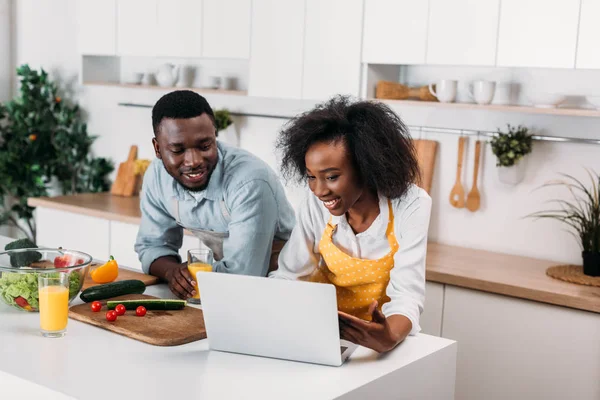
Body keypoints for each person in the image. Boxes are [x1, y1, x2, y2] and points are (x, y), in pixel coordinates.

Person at [270, 96, 432, 353]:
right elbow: (290, 276)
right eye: (311, 177)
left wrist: (388, 337)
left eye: (332, 177)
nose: (320, 190)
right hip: (320, 335)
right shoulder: (315, 205)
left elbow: (407, 296)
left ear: (366, 166)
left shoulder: (410, 204)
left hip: (381, 337)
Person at [135, 90, 295, 299]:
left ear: (215, 137)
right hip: (225, 289)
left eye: (205, 146)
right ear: (157, 148)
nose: (193, 161)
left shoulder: (249, 182)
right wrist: (171, 271)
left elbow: (243, 275)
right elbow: (152, 245)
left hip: (282, 287)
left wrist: (190, 277)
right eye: (178, 150)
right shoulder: (157, 176)